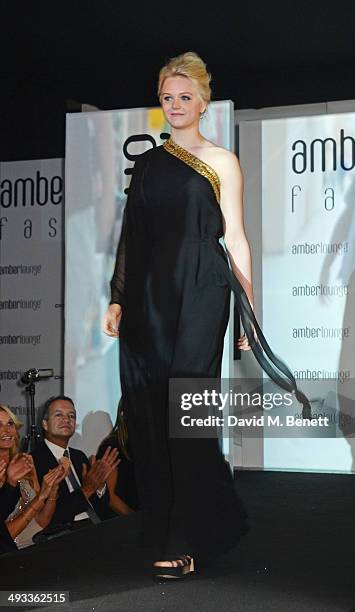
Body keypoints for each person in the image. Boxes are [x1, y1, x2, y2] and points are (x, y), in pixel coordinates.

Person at [102, 51, 308, 580]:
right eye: (167, 98)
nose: (174, 106)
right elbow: (133, 239)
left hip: (202, 292)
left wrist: (249, 312)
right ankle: (176, 521)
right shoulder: (147, 165)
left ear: (202, 102)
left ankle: (187, 536)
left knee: (185, 412)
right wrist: (119, 297)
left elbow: (235, 237)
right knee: (150, 412)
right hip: (149, 298)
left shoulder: (221, 162)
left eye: (184, 97)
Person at [31, 395, 120, 529]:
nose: (66, 419)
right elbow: (48, 517)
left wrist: (100, 486)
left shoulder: (79, 456)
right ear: (45, 424)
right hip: (61, 535)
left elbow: (100, 505)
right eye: (59, 415)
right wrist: (88, 489)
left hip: (95, 527)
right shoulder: (34, 461)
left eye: (71, 416)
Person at [0, 405, 69, 550]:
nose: (6, 430)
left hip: (39, 540)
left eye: (10, 424)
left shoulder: (24, 461)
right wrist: (38, 499)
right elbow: (5, 536)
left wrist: (52, 489)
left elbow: (42, 520)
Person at [96, 398, 139, 516]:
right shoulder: (112, 446)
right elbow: (110, 497)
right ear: (123, 414)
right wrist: (138, 520)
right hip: (127, 525)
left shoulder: (148, 444)